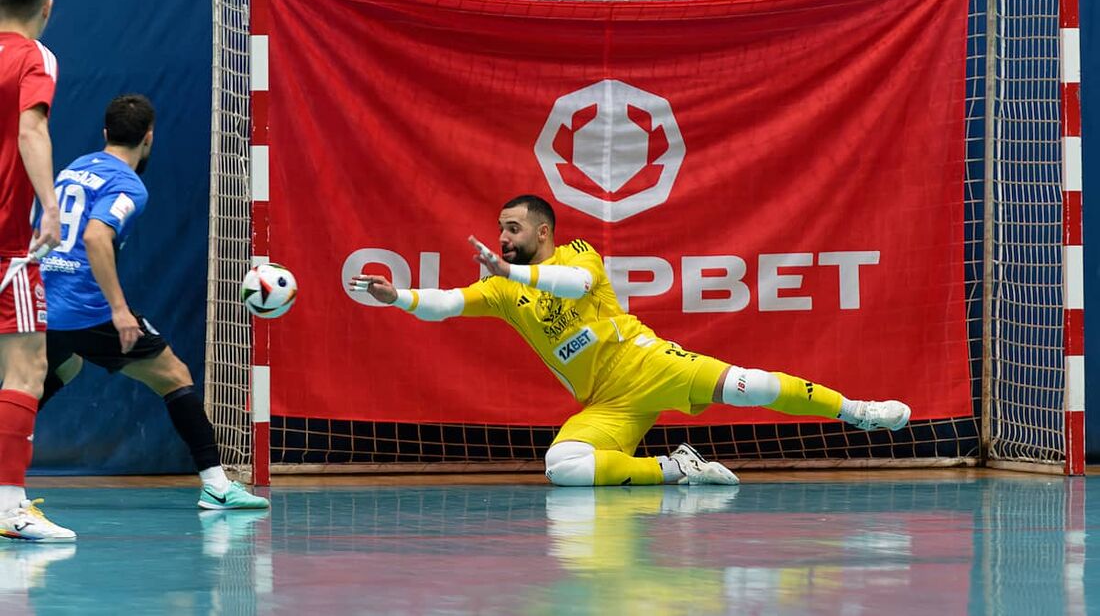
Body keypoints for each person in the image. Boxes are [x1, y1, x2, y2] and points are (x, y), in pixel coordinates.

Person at [351, 194, 911, 487]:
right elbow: (447, 304)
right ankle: (676, 469)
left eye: (513, 228)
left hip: (649, 365)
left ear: (543, 232)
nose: (503, 237)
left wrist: (510, 270)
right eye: (500, 228)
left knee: (749, 386)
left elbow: (571, 285)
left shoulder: (577, 256)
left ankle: (856, 410)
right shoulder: (500, 289)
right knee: (563, 466)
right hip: (607, 403)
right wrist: (397, 296)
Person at [37, 94, 268, 510]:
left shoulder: (74, 169)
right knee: (175, 375)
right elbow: (94, 236)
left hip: (44, 299)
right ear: (149, 138)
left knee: (61, 368)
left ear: (105, 133)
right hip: (86, 308)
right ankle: (216, 486)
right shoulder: (127, 184)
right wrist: (120, 311)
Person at [0, 0, 73, 541]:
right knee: (26, 367)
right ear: (46, 8)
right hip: (7, 244)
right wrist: (50, 207)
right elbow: (31, 128)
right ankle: (9, 509)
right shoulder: (34, 57)